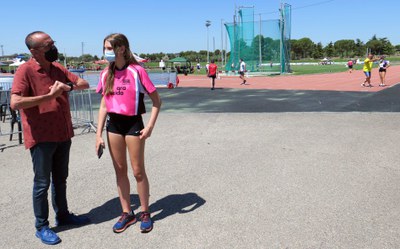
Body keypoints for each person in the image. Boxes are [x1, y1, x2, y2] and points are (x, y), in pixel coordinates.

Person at [10, 31, 90, 245]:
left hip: (63, 133)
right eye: (48, 45)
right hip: (42, 137)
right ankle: (42, 226)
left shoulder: (58, 69)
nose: (53, 47)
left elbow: (84, 84)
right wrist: (48, 97)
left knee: (61, 179)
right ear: (34, 51)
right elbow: (15, 103)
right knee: (42, 182)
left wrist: (68, 87)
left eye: (53, 43)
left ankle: (63, 216)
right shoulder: (25, 71)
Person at [95, 33, 161, 234]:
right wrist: (98, 134)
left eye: (108, 48)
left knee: (137, 170)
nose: (106, 52)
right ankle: (126, 213)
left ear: (121, 48)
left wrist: (149, 126)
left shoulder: (137, 71)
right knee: (119, 171)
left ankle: (145, 212)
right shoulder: (106, 73)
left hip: (134, 124)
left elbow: (157, 102)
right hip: (114, 126)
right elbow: (104, 105)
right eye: (105, 48)